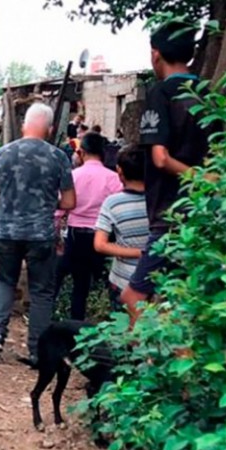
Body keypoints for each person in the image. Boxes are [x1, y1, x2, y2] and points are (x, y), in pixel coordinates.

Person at [119, 23, 209, 325]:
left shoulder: (161, 93)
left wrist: (197, 177)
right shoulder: (208, 94)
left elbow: (160, 157)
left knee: (133, 297)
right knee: (178, 299)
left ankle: (150, 366)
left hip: (170, 217)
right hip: (203, 216)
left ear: (155, 54)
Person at [0, 103, 75, 363]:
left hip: (8, 232)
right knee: (42, 291)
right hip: (41, 235)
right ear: (51, 128)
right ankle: (37, 351)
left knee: (5, 281)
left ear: (23, 126)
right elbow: (69, 202)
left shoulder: (2, 154)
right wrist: (43, 203)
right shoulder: (59, 157)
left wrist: (11, 201)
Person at [54, 132, 122, 320]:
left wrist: (55, 235)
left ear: (81, 152)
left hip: (75, 237)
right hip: (103, 238)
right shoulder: (114, 179)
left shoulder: (73, 176)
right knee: (99, 282)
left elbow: (58, 211)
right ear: (103, 153)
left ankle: (72, 326)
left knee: (74, 283)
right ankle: (102, 321)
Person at [94, 146, 149, 311]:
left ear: (119, 171)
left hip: (123, 280)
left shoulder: (113, 203)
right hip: (156, 279)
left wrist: (138, 253)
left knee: (122, 331)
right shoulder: (161, 200)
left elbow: (100, 244)